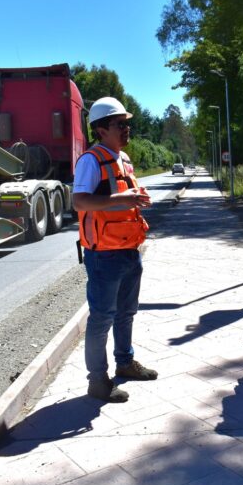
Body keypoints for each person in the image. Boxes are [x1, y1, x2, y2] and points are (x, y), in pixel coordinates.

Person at [73, 96, 157, 403]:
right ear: (101, 129)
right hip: (104, 255)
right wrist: (122, 200)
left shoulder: (125, 161)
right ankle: (98, 381)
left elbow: (123, 200)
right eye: (120, 124)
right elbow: (80, 202)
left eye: (127, 124)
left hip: (128, 250)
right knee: (102, 317)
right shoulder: (91, 161)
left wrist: (136, 198)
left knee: (126, 314)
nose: (127, 129)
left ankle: (125, 362)